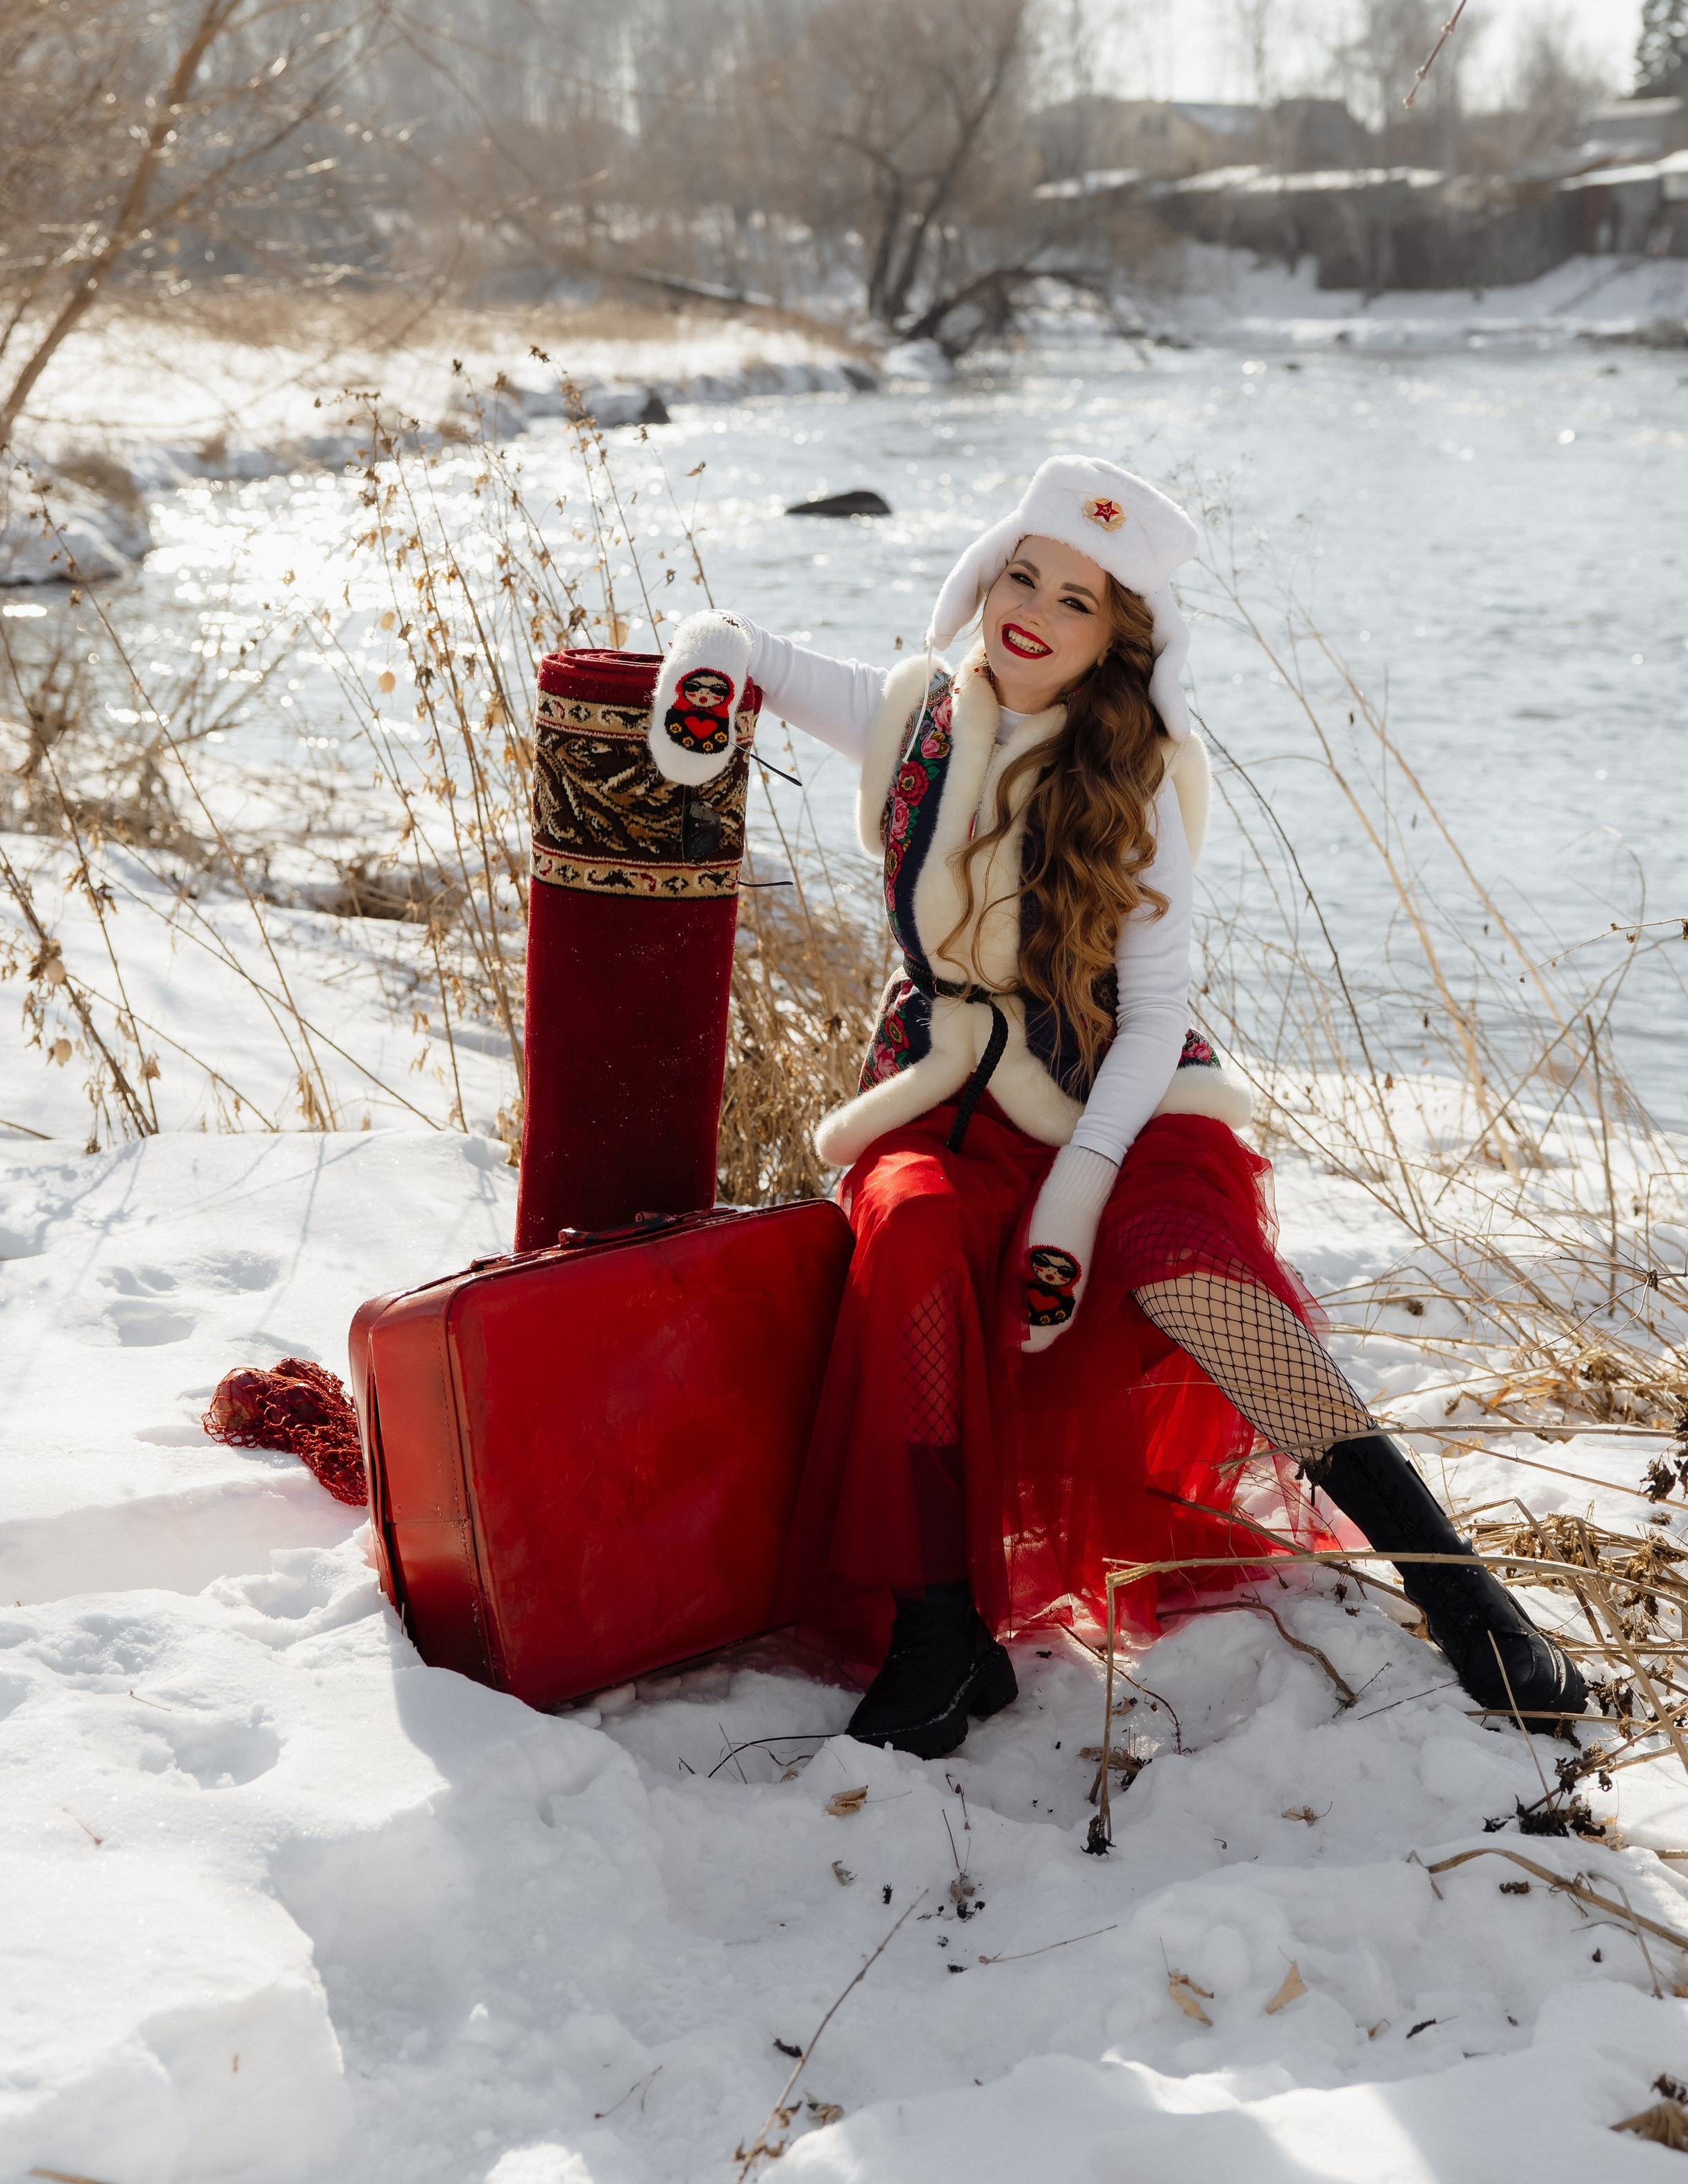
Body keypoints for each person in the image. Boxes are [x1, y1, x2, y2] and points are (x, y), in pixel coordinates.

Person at [649, 453, 1584, 1758]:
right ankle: (939, 1630)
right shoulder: (916, 712)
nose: (1031, 609)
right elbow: (742, 646)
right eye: (1020, 574)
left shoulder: (1139, 786)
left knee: (1189, 1269)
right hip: (939, 1103)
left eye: (1075, 601)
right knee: (907, 1237)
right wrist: (698, 674)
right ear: (982, 573)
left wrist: (1078, 1202)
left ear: (1119, 642)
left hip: (1118, 1105)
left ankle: (1455, 1584)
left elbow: (1152, 1020)